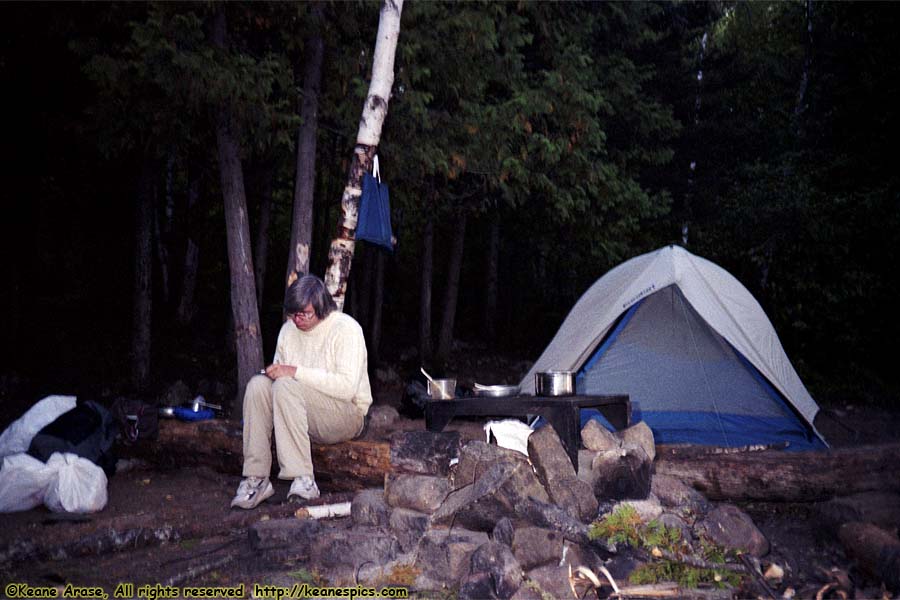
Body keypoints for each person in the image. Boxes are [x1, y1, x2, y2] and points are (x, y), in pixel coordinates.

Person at [230, 274, 372, 509]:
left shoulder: (346, 329)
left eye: (304, 314)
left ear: (321, 307)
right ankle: (256, 479)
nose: (298, 320)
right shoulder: (288, 331)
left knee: (286, 385)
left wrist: (294, 371)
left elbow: (346, 388)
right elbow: (280, 379)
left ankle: (304, 479)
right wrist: (272, 373)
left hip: (348, 413)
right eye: (293, 314)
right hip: (300, 409)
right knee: (257, 385)